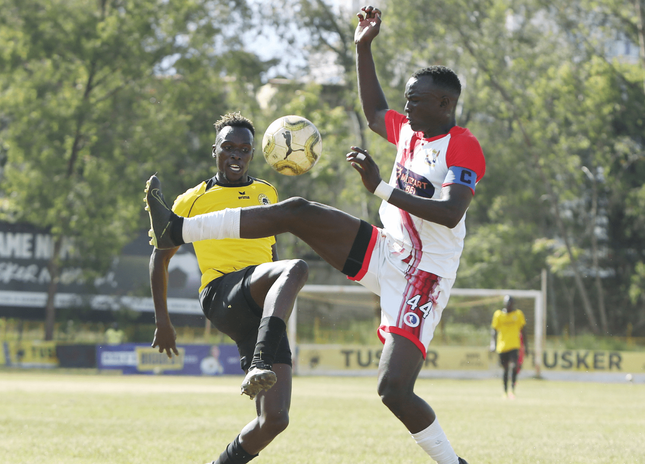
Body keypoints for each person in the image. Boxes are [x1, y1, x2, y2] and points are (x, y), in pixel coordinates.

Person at [144, 6, 483, 461]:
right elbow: (373, 110)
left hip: (425, 274)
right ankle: (178, 229)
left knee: (393, 390)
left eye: (415, 99)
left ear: (444, 104)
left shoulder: (463, 146)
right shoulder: (410, 131)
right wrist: (362, 47)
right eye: (406, 98)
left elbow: (450, 213)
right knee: (298, 211)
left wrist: (381, 188)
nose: (406, 107)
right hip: (389, 250)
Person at [148, 112, 309, 464]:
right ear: (215, 150)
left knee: (274, 420)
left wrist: (276, 298)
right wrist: (163, 321)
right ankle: (260, 360)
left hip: (261, 309)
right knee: (296, 267)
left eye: (244, 149)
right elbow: (159, 258)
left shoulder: (267, 191)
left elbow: (270, 252)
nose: (236, 155)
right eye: (228, 147)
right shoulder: (191, 200)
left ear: (252, 154)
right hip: (222, 294)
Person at [491, 295, 527, 399]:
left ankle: (512, 389)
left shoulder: (518, 314)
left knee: (514, 366)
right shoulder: (498, 315)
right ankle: (505, 391)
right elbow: (494, 330)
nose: (509, 305)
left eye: (510, 303)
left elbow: (523, 330)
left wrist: (526, 346)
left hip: (514, 345)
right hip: (502, 346)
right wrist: (493, 344)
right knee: (505, 369)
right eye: (507, 303)